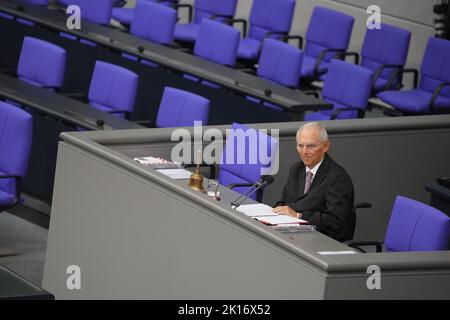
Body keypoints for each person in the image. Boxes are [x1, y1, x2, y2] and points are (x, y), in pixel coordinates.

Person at [273, 122, 355, 242]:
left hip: (322, 240)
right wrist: (276, 211)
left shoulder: (338, 178)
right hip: (293, 235)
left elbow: (335, 222)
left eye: (311, 146)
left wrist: (299, 216)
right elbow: (284, 202)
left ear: (325, 146)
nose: (304, 151)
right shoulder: (296, 169)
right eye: (300, 145)